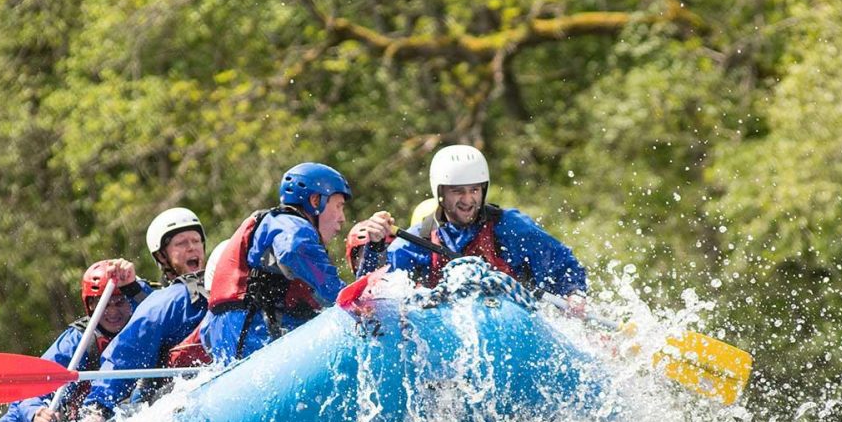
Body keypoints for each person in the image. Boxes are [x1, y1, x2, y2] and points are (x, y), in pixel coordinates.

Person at [202, 162, 394, 362]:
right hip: (244, 331)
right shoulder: (288, 224)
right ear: (315, 201)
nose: (342, 218)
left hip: (247, 330)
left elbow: (358, 295)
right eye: (338, 206)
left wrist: (374, 246)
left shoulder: (295, 237)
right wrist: (339, 294)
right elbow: (293, 249)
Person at [345, 144, 587, 297]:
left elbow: (562, 263)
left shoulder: (510, 227)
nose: (468, 199)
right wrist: (375, 245)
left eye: (474, 190)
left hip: (514, 323)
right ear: (440, 192)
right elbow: (373, 295)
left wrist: (574, 294)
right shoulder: (418, 239)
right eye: (458, 191)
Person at [0, 258, 148, 422]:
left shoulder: (147, 325)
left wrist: (134, 287)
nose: (113, 312)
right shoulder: (76, 342)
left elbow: (160, 305)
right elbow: (34, 386)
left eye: (120, 302)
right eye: (104, 304)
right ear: (90, 306)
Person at [81, 207, 213, 414]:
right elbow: (128, 351)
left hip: (211, 380)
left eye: (196, 241)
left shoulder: (220, 285)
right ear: (162, 256)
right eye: (181, 243)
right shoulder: (165, 301)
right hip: (167, 396)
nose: (192, 248)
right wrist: (99, 407)